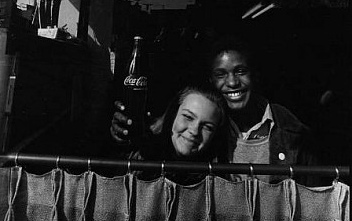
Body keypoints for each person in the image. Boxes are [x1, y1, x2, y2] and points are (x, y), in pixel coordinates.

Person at [110, 35, 318, 184]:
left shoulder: (291, 131)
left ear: (254, 74)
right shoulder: (208, 122)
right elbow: (153, 149)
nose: (232, 82)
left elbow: (316, 198)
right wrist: (126, 135)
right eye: (221, 74)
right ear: (211, 81)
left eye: (240, 71)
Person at [128, 84, 230, 184]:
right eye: (188, 117)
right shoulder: (139, 156)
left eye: (207, 127)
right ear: (173, 115)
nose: (194, 131)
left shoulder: (216, 183)